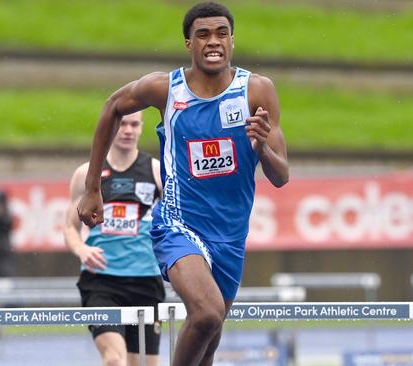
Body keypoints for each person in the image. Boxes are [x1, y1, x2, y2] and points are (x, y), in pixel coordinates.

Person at [77, 2, 289, 365]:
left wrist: (261, 148)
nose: (213, 41)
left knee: (209, 337)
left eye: (222, 33)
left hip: (230, 236)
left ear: (232, 41)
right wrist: (93, 186)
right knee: (206, 313)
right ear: (188, 43)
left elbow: (281, 176)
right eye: (203, 34)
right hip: (178, 223)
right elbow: (113, 106)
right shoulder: (166, 89)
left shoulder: (256, 91)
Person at [64, 110, 164, 366]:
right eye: (122, 124)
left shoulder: (155, 171)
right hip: (101, 282)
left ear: (141, 128)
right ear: (111, 128)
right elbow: (69, 227)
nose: (128, 130)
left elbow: (177, 221)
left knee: (141, 363)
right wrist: (81, 250)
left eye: (134, 124)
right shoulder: (87, 174)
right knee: (114, 360)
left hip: (145, 281)